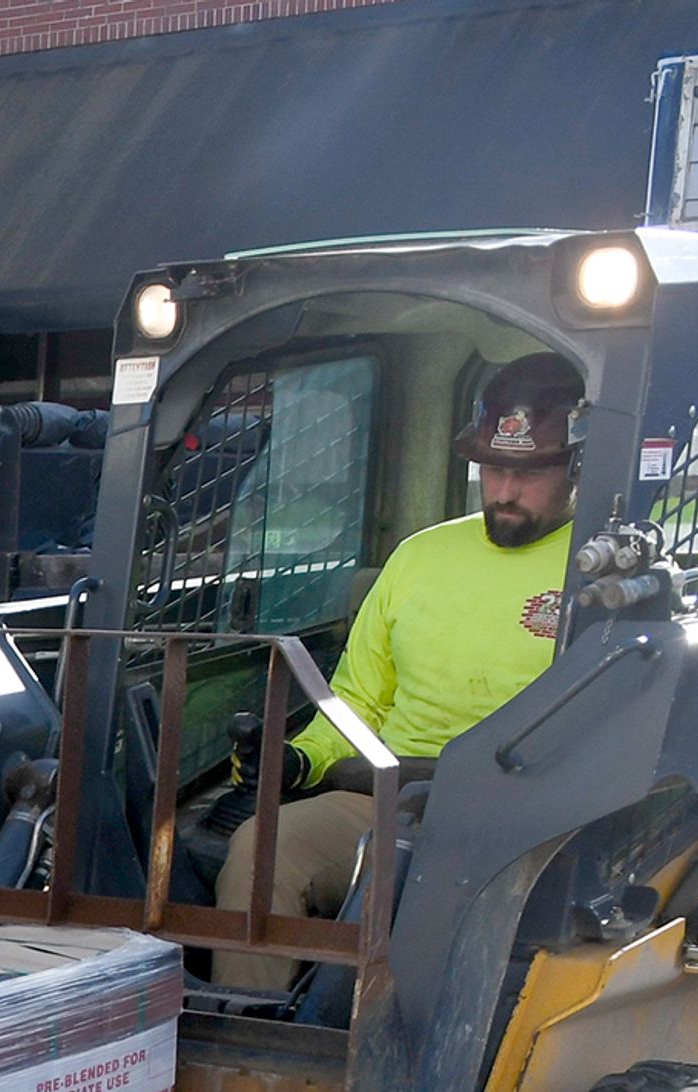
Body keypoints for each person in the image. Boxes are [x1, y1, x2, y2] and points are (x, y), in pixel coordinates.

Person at [209, 351, 586, 990]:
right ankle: (252, 1036)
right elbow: (358, 701)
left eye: (528, 473)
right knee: (262, 850)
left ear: (579, 464)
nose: (505, 490)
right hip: (394, 800)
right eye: (493, 468)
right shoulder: (420, 557)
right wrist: (301, 759)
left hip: (530, 822)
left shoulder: (605, 575)